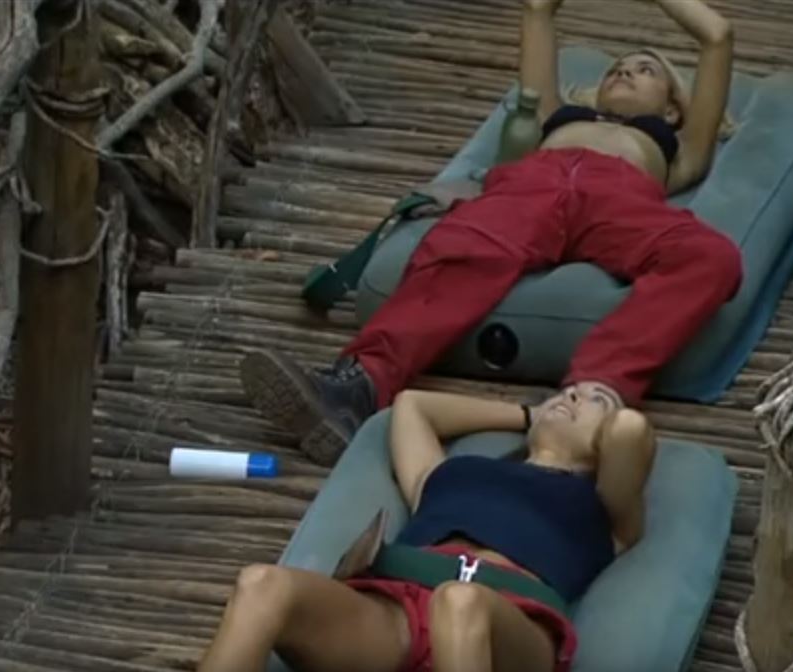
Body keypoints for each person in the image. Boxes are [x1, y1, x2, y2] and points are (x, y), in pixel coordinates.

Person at [241, 0, 742, 467]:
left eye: (645, 69)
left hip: (622, 201)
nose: (624, 71)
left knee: (711, 257)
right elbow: (537, 9)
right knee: (461, 248)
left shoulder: (680, 150)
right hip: (532, 187)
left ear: (672, 110)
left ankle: (594, 395)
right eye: (617, 67)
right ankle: (357, 387)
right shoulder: (551, 118)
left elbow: (717, 35)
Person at [198, 384, 657, 672]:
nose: (572, 395)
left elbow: (630, 431)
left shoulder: (604, 510)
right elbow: (412, 406)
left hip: (509, 626)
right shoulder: (452, 475)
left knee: (459, 603)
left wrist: (603, 426)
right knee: (261, 584)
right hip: (395, 610)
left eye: (596, 401)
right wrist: (529, 415)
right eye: (568, 390)